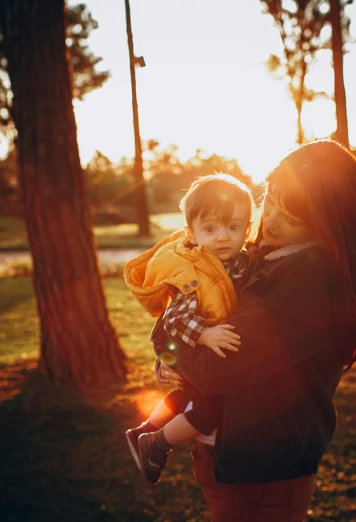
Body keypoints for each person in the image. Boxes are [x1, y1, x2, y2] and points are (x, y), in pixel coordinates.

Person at [153, 139, 356, 521]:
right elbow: (177, 321)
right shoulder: (265, 259)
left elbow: (219, 368)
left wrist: (176, 352)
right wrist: (174, 342)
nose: (270, 219)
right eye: (272, 199)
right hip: (234, 456)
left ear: (327, 224)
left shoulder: (310, 280)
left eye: (291, 215)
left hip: (263, 473)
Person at [123, 173, 254, 485]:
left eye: (233, 227)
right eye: (210, 229)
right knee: (210, 410)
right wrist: (205, 334)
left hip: (191, 346)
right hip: (187, 338)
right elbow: (176, 319)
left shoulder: (239, 261)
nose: (223, 237)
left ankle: (143, 429)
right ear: (191, 234)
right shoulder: (194, 270)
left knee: (186, 393)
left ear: (247, 230)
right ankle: (155, 444)